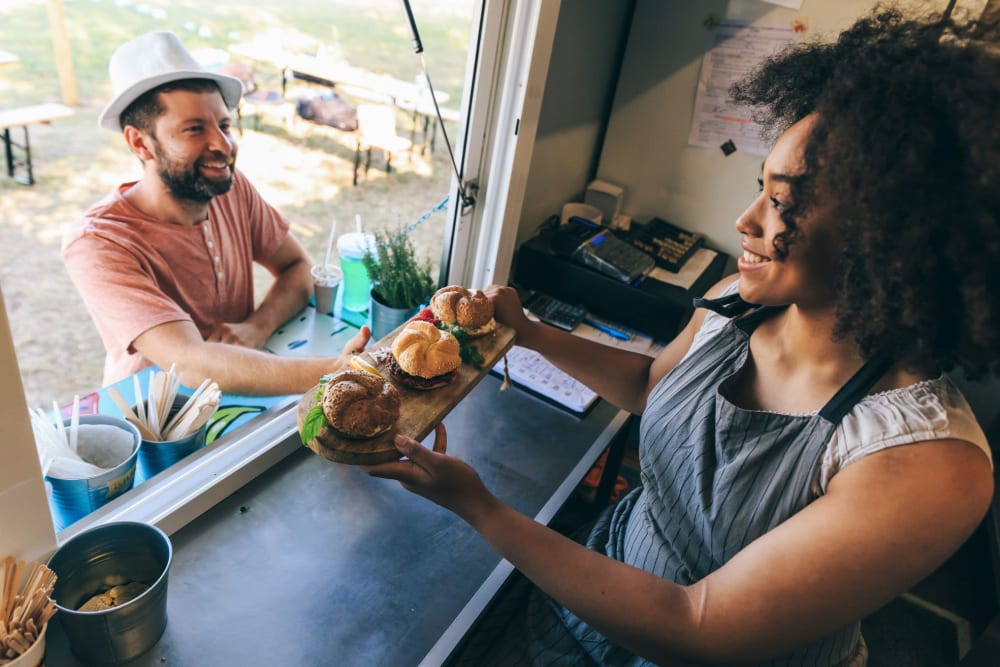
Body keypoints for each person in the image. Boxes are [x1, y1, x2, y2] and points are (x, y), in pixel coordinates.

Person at [365, 7, 999, 666]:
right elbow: (649, 384)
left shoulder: (929, 462)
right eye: (761, 188)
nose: (745, 221)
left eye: (784, 202)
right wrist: (527, 334)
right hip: (599, 581)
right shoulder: (736, 299)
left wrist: (479, 507)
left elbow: (697, 623)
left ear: (891, 239)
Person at [61, 31, 369, 395]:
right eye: (194, 129)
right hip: (155, 417)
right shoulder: (97, 243)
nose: (223, 146)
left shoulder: (230, 187)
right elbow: (190, 363)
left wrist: (258, 325)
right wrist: (334, 371)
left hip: (248, 385)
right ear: (139, 142)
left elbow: (296, 268)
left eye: (224, 125)